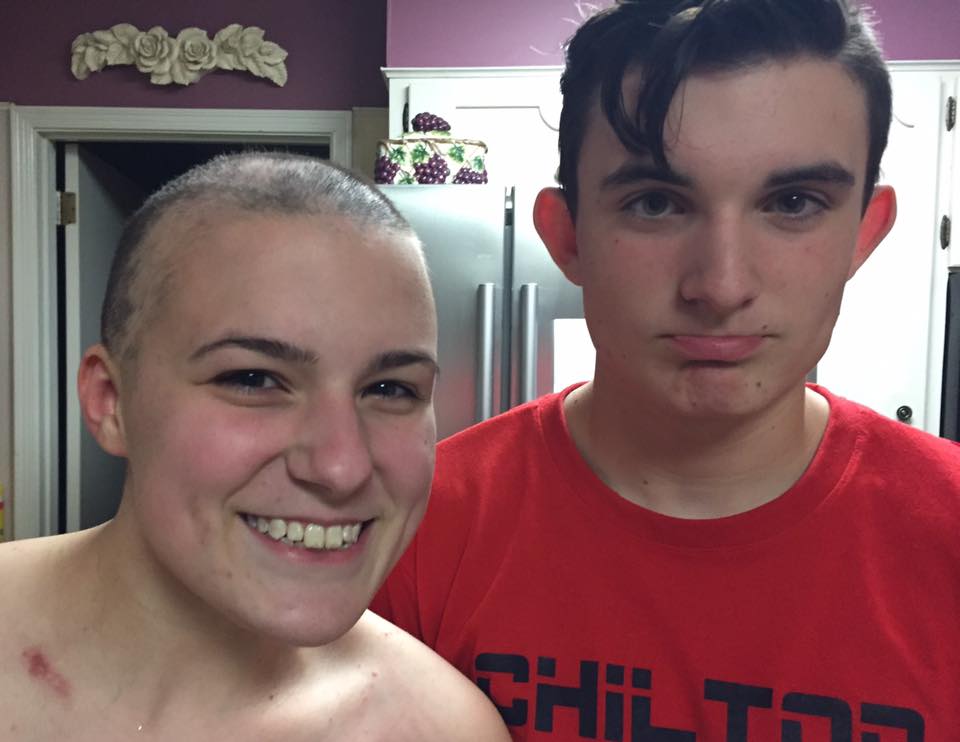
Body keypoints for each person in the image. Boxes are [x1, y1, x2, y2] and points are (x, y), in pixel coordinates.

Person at [373, 0, 960, 738]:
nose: (721, 286)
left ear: (863, 236)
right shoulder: (411, 534)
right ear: (568, 236)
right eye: (655, 204)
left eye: (793, 203)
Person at [0, 153, 511, 741]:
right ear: (110, 401)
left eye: (390, 389)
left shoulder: (443, 730)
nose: (341, 466)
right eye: (253, 379)